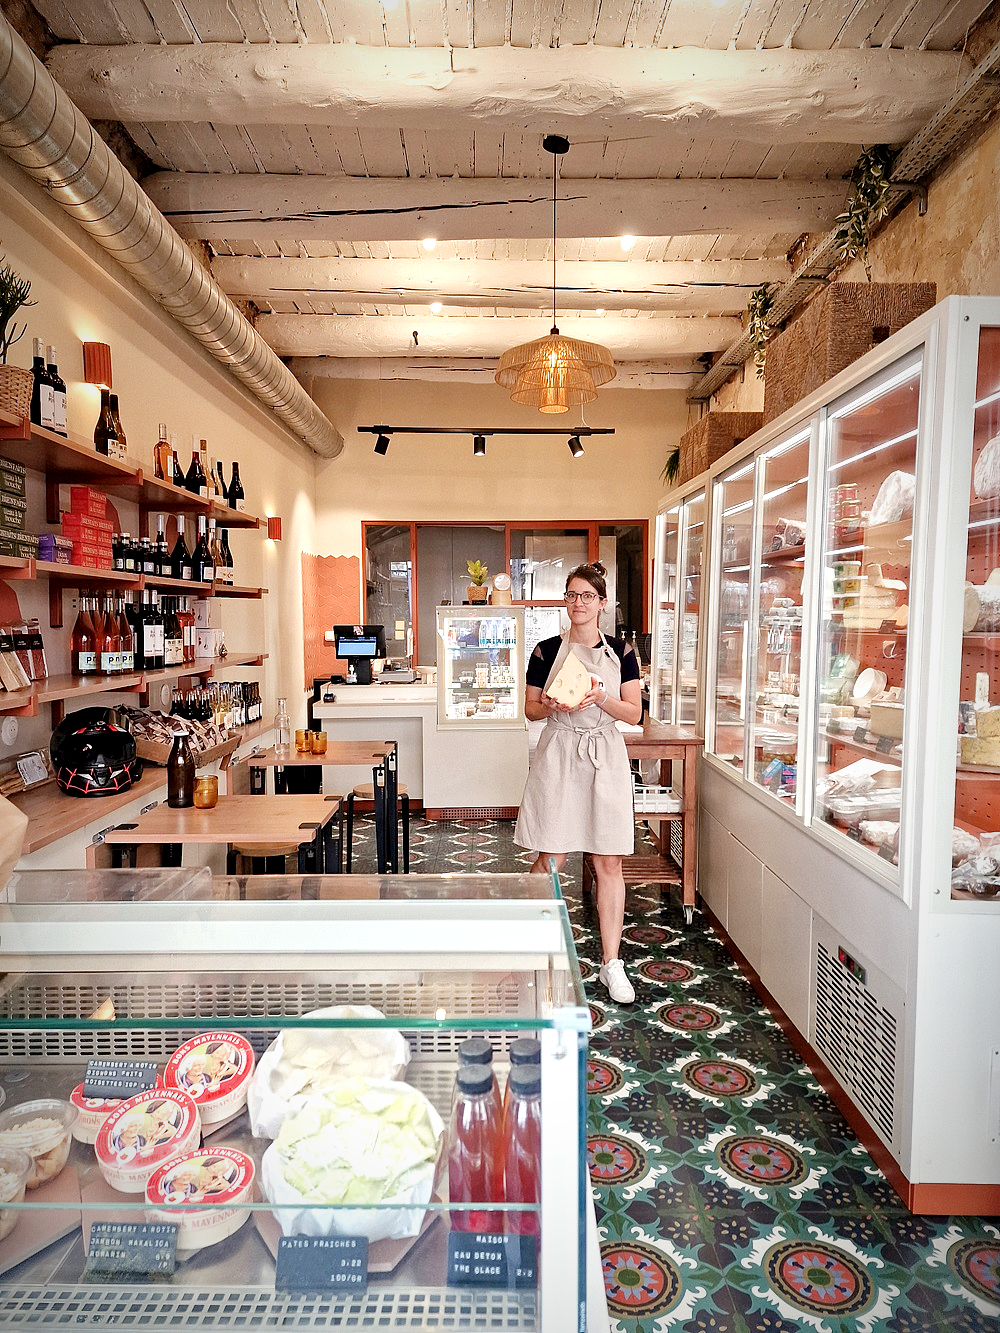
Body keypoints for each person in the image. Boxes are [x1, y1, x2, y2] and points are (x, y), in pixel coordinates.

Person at [514, 561, 643, 1003]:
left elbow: (634, 713)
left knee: (608, 862)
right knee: (552, 856)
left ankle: (612, 964)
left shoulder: (623, 652)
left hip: (604, 754)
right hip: (560, 751)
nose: (578, 603)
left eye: (587, 596)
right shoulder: (546, 650)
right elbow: (529, 709)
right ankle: (529, 949)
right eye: (571, 595)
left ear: (602, 604)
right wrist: (550, 704)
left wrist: (600, 696)